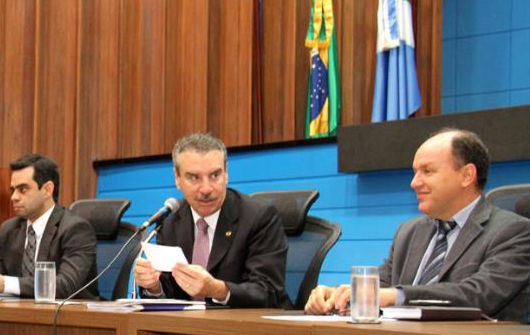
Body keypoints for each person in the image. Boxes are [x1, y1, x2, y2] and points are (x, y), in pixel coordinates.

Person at [305, 128, 530, 321]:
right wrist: (337, 296)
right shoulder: (410, 232)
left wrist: (397, 296)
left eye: (427, 171)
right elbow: (382, 286)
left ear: (467, 175)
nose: (414, 183)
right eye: (415, 173)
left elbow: (477, 295)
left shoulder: (514, 232)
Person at [133, 133, 292, 307]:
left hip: (246, 322)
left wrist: (217, 289)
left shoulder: (259, 218)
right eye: (194, 177)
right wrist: (154, 286)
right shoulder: (171, 222)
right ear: (177, 178)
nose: (206, 189)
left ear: (226, 173)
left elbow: (268, 292)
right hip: (190, 323)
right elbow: (171, 291)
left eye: (215, 175)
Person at [0, 153, 98, 299]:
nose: (14, 197)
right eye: (13, 190)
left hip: (70, 311)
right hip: (20, 310)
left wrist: (3, 283)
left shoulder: (76, 229)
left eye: (23, 189)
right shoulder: (8, 229)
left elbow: (65, 285)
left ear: (47, 190)